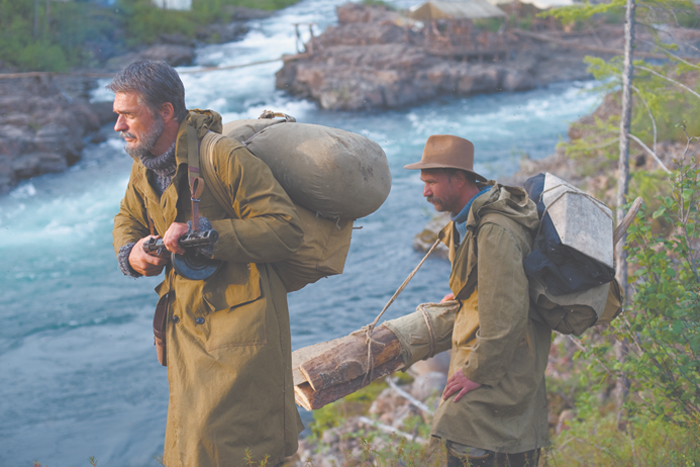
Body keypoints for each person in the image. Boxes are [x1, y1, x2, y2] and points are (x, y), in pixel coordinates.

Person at [109, 60, 304, 467]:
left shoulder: (223, 156)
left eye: (128, 114)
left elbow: (286, 229)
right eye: (118, 115)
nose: (118, 126)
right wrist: (132, 252)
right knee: (187, 451)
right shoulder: (143, 163)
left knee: (234, 451)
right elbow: (126, 217)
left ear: (165, 111)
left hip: (242, 332)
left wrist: (208, 234)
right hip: (185, 329)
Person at [404, 135, 551, 467]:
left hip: (501, 365)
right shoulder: (475, 219)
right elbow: (501, 281)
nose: (425, 192)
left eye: (431, 183)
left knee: (467, 435)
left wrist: (477, 372)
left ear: (459, 179)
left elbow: (508, 313)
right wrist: (466, 292)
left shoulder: (494, 229)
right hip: (502, 359)